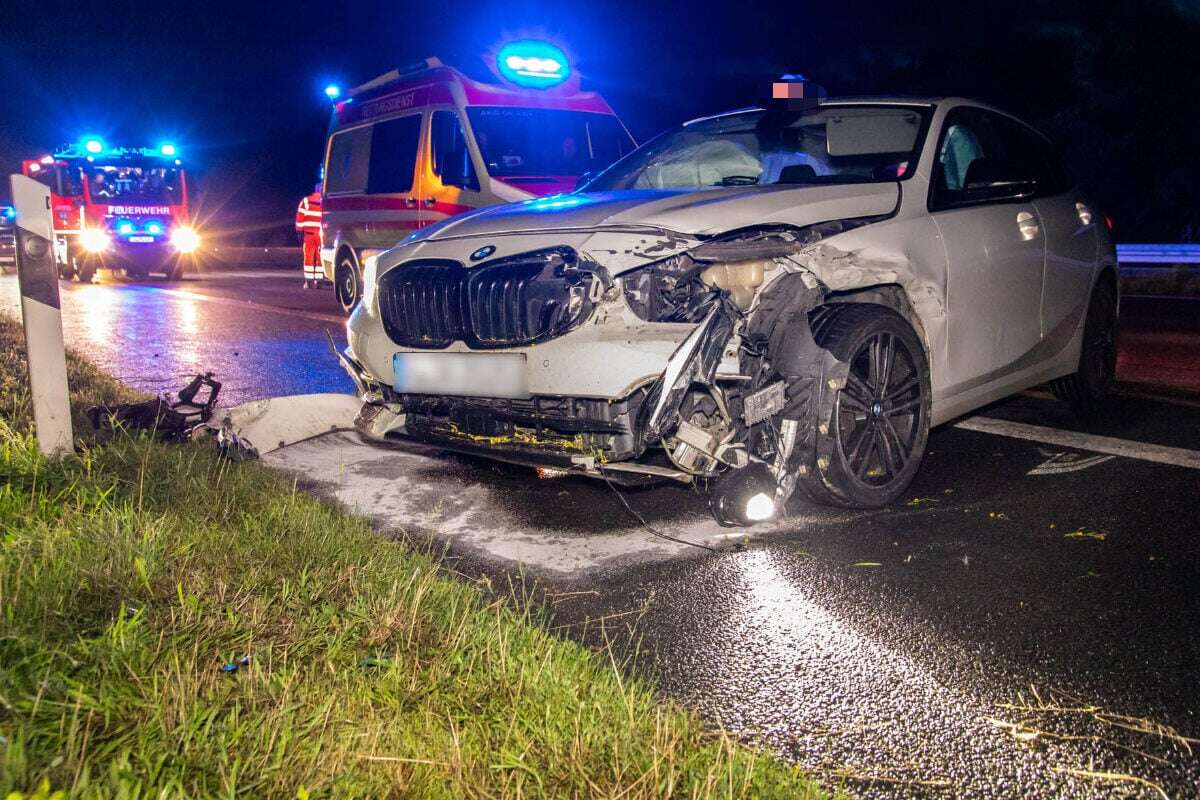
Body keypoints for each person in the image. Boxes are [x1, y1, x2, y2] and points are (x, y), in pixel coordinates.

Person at [295, 182, 323, 288]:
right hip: (321, 235)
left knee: (308, 258)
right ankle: (319, 282)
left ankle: (309, 282)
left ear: (315, 189)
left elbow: (299, 218)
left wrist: (299, 231)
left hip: (309, 235)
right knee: (320, 258)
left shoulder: (306, 201)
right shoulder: (324, 202)